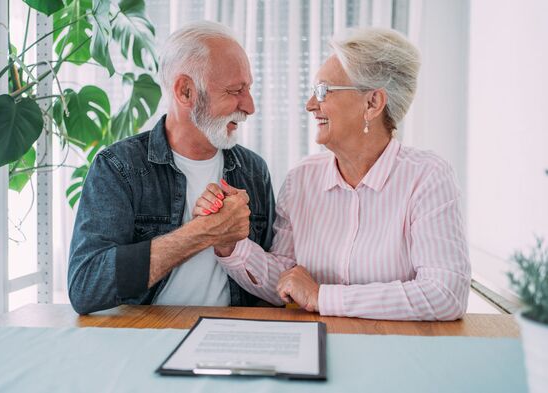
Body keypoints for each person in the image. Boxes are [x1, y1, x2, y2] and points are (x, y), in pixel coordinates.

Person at [194, 27, 471, 321]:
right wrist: (228, 243)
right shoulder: (302, 178)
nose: (311, 105)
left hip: (394, 350)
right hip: (314, 348)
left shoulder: (428, 177)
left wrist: (322, 296)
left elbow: (445, 294)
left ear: (372, 103)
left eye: (323, 91)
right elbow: (287, 280)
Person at [68, 21, 275, 314]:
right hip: (143, 341)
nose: (250, 106)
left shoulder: (253, 170)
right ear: (186, 91)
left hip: (231, 340)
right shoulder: (118, 168)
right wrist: (201, 233)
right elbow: (86, 286)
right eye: (234, 91)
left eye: (249, 89)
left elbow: (271, 284)